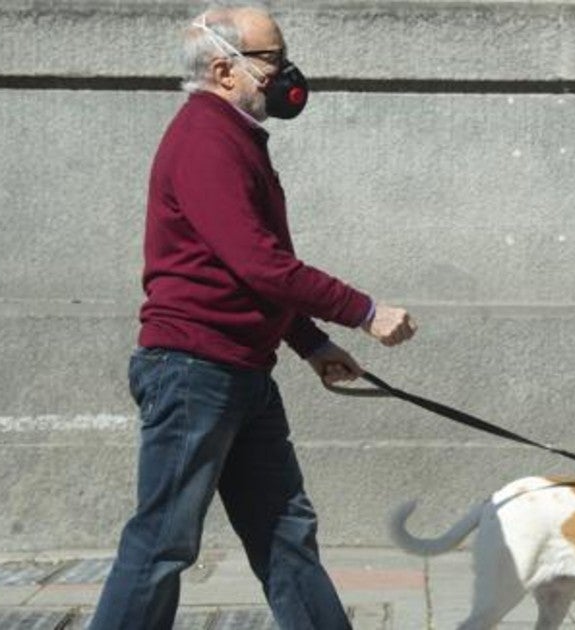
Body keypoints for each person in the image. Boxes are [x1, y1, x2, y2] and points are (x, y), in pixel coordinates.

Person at [90, 6, 416, 629]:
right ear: (224, 69)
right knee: (164, 541)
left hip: (239, 371)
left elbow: (249, 269)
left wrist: (312, 343)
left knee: (285, 532)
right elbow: (259, 264)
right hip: (193, 370)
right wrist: (363, 312)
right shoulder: (205, 140)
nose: (286, 72)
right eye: (272, 58)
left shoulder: (233, 138)